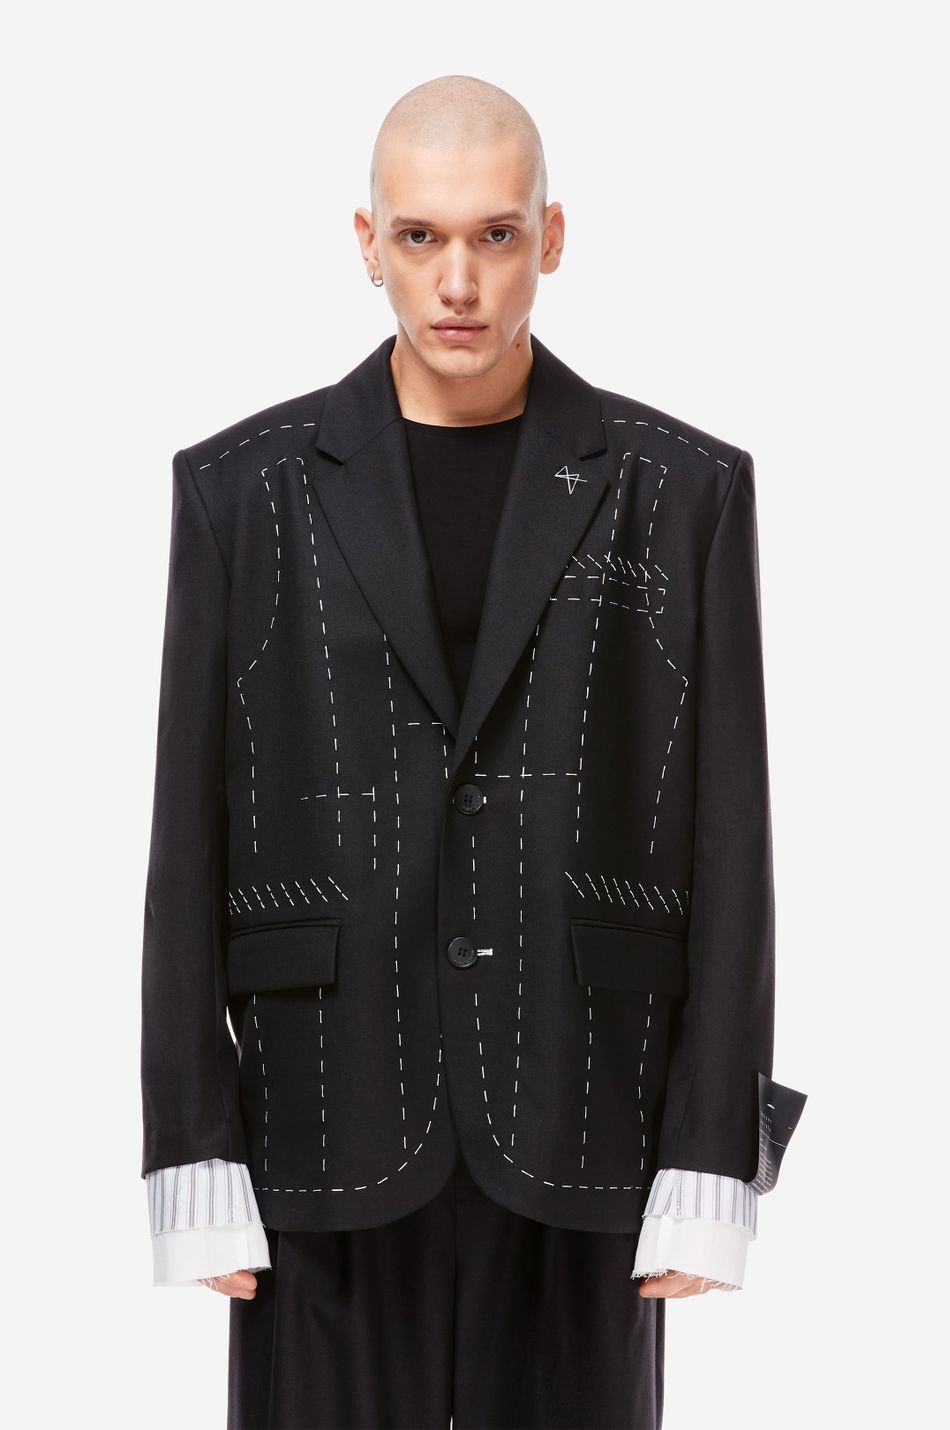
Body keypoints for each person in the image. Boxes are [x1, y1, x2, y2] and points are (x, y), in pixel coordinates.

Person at [141, 73, 806, 1430]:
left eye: (496, 235)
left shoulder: (682, 490)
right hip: (320, 1114)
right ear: (366, 242)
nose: (459, 281)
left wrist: (710, 1156)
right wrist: (192, 1145)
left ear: (550, 237)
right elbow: (186, 831)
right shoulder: (239, 490)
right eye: (421, 236)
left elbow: (730, 835)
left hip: (583, 1112)